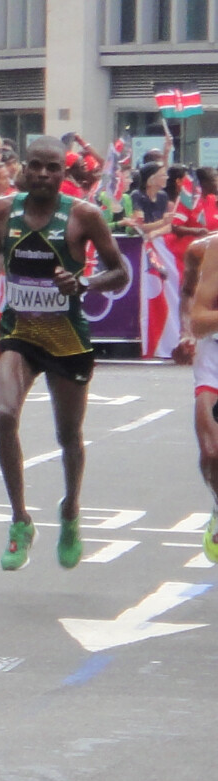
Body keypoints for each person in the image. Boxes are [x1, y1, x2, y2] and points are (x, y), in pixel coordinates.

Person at [0, 136, 127, 570]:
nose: (41, 174)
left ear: (63, 173)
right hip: (18, 332)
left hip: (66, 339)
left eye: (51, 167)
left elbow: (120, 271)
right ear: (23, 168)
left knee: (68, 436)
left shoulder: (84, 215)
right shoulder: (2, 209)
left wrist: (84, 283)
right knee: (4, 415)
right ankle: (20, 520)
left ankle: (70, 510)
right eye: (35, 165)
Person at [184, 233, 218, 558]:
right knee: (212, 452)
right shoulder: (212, 249)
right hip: (215, 356)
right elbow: (198, 321)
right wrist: (185, 332)